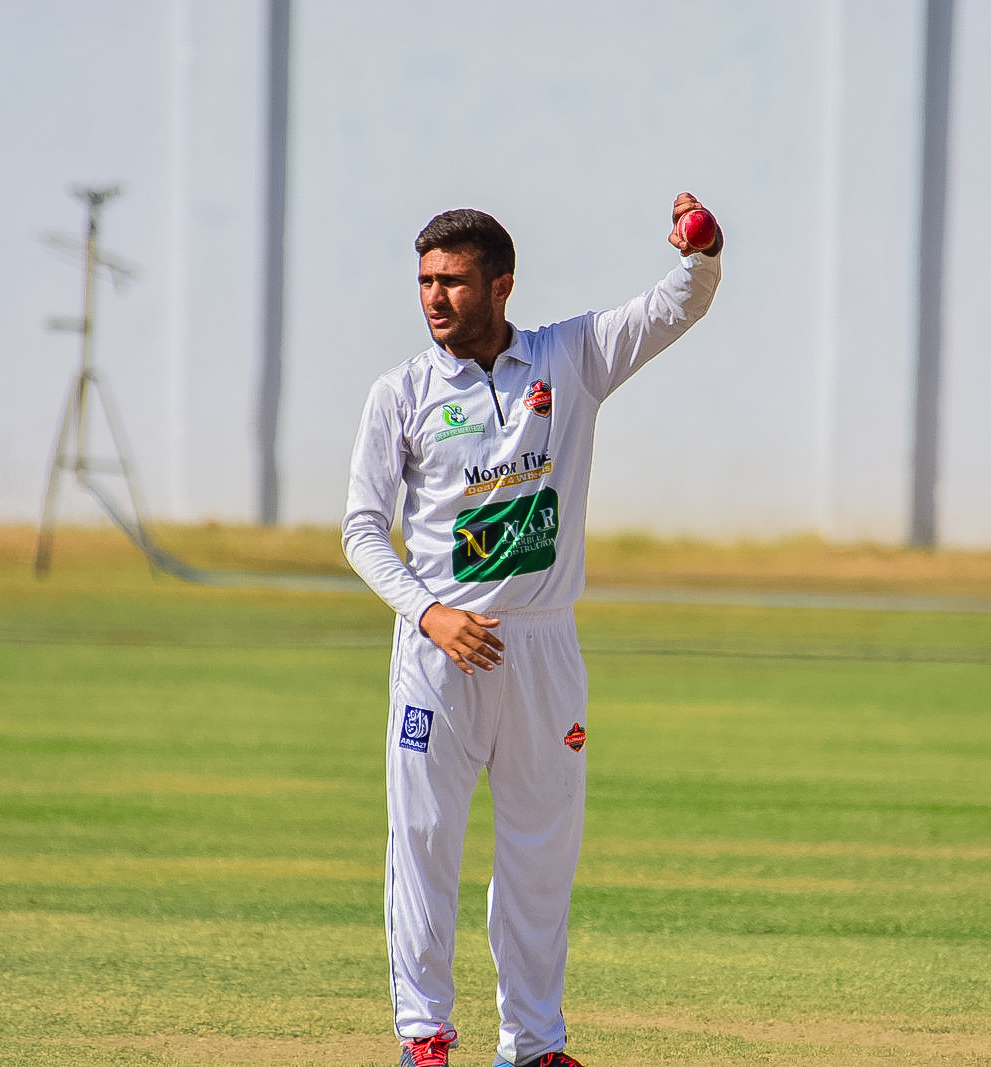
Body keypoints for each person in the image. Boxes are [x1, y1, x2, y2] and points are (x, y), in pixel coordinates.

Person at [342, 193, 722, 1067]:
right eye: (426, 281)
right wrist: (429, 612)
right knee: (425, 844)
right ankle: (425, 1036)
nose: (435, 297)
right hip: (442, 649)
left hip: (544, 646)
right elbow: (361, 529)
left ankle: (534, 1044)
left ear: (501, 285)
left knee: (541, 852)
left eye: (454, 281)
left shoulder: (568, 357)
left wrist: (701, 256)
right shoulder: (400, 393)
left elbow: (673, 308)